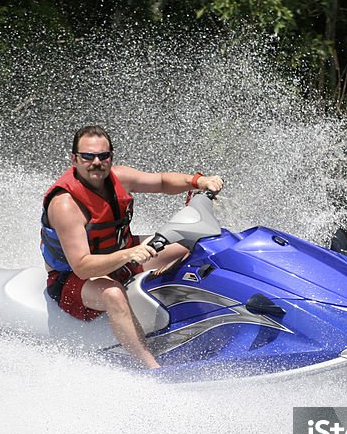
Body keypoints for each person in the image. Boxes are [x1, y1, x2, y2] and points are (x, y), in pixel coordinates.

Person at [40, 125, 224, 368]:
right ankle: (150, 367)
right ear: (75, 159)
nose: (96, 162)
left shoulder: (119, 177)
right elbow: (83, 267)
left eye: (103, 156)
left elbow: (160, 182)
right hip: (71, 280)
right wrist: (128, 254)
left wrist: (198, 181)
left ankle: (197, 322)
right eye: (88, 156)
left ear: (110, 157)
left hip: (119, 256)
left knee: (186, 246)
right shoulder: (65, 205)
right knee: (113, 294)